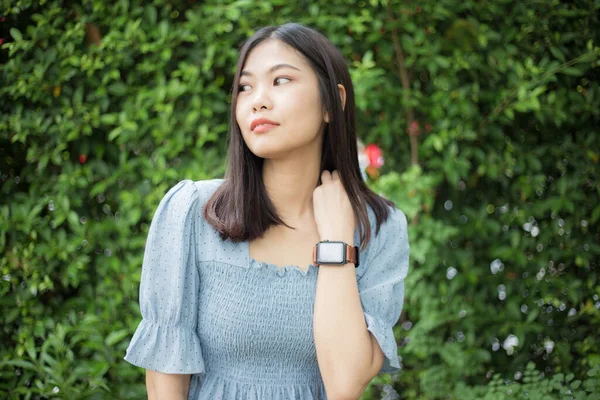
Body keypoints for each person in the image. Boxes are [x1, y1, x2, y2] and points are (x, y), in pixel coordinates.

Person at [123, 22, 410, 400]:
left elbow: (345, 384)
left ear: (332, 102)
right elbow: (164, 382)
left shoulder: (379, 228)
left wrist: (338, 240)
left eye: (281, 81)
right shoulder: (193, 211)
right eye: (246, 87)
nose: (258, 100)